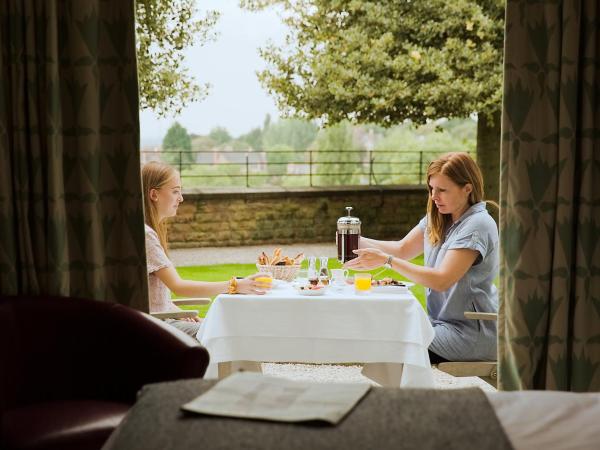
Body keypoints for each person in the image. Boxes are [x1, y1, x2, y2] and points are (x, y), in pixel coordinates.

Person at [345, 152, 498, 363]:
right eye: (432, 189)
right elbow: (402, 248)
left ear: (467, 188)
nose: (434, 197)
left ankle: (404, 394)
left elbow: (441, 280)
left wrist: (386, 261)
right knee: (385, 325)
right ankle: (400, 393)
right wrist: (353, 238)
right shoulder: (440, 218)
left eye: (442, 190)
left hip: (469, 333)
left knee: (393, 338)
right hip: (439, 325)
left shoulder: (477, 224)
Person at [142, 161, 271, 337]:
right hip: (158, 326)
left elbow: (152, 294)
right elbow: (178, 286)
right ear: (154, 194)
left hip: (165, 318)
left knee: (229, 328)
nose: (181, 198)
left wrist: (174, 309)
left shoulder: (148, 231)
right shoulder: (147, 235)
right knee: (229, 332)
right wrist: (235, 285)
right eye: (175, 191)